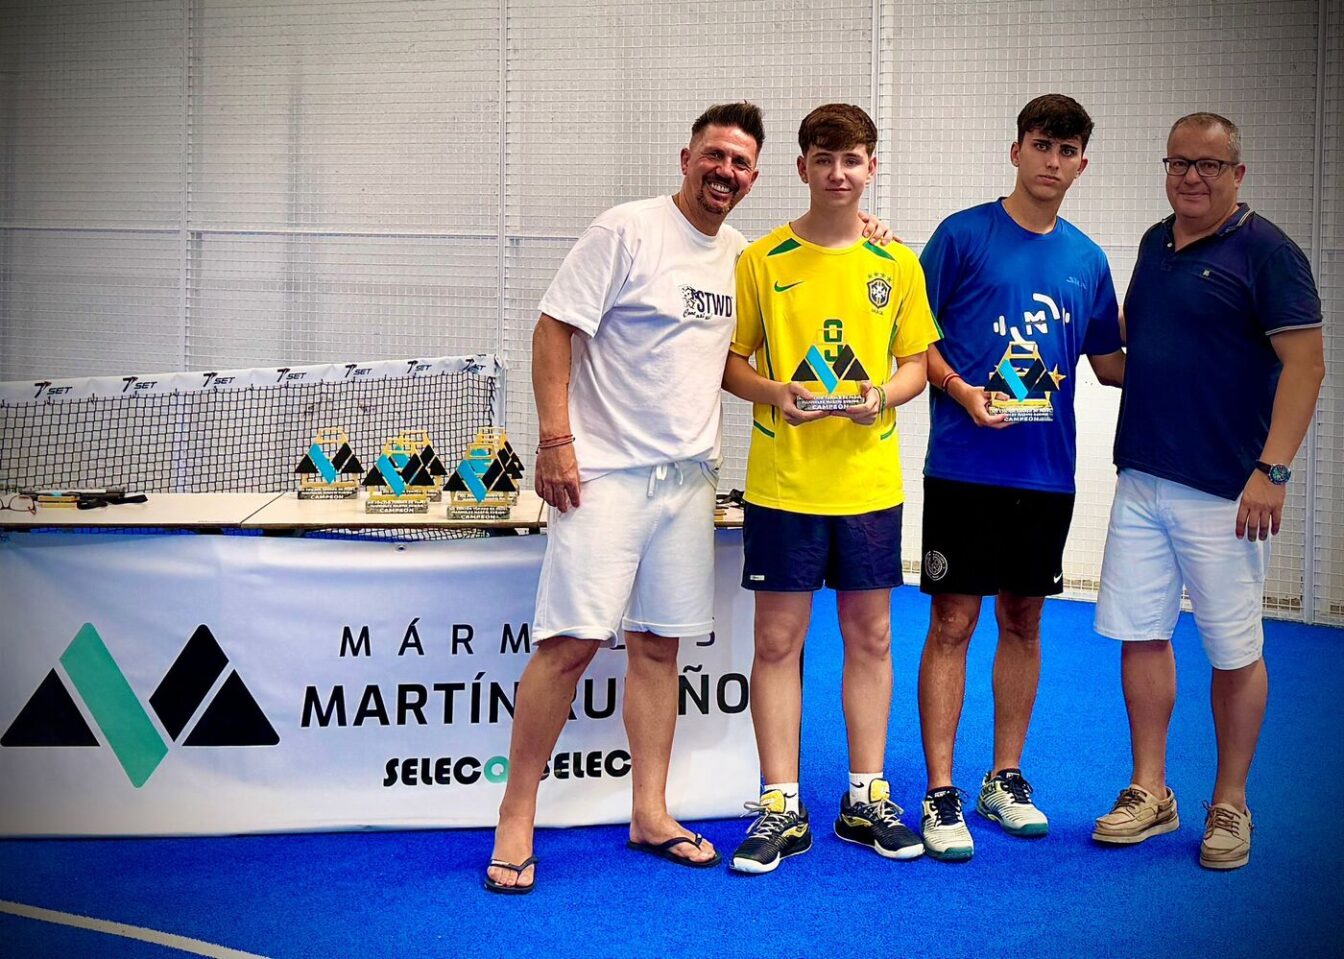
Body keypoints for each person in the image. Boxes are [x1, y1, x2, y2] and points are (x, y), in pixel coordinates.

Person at [485, 103, 892, 893]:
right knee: (568, 644)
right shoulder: (625, 231)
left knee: (659, 649)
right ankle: (515, 814)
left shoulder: (740, 255)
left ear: (756, 176)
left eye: (741, 164)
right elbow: (551, 330)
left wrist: (868, 234)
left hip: (688, 482)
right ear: (686, 156)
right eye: (715, 156)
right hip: (601, 476)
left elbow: (808, 268)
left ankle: (650, 810)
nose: (726, 173)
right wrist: (555, 439)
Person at [1091, 113, 1324, 870]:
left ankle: (1231, 802)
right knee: (1142, 632)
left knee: (1233, 648)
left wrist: (1274, 468)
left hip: (1228, 489)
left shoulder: (1271, 253)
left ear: (1238, 174)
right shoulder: (1156, 245)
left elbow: (1307, 366)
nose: (1192, 176)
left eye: (1209, 165)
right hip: (1142, 479)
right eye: (1179, 163)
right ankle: (1150, 791)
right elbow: (1136, 349)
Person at [721, 104, 939, 874]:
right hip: (784, 484)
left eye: (852, 160)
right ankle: (781, 801)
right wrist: (778, 393)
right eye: (824, 159)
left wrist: (881, 395)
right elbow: (731, 362)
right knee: (778, 642)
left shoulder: (897, 264)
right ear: (803, 167)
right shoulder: (763, 260)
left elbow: (915, 364)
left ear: (871, 167)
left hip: (868, 484)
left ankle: (863, 794)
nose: (838, 173)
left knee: (872, 637)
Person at [915, 94, 1125, 861]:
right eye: (1041, 145)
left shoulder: (1088, 260)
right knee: (952, 622)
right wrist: (962, 391)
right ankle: (940, 791)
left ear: (1082, 164)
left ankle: (1003, 778)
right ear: (1016, 151)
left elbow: (1111, 365)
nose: (1053, 161)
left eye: (1067, 150)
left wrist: (1213, 362)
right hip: (966, 468)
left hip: (1046, 476)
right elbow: (914, 339)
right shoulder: (963, 237)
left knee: (1025, 619)